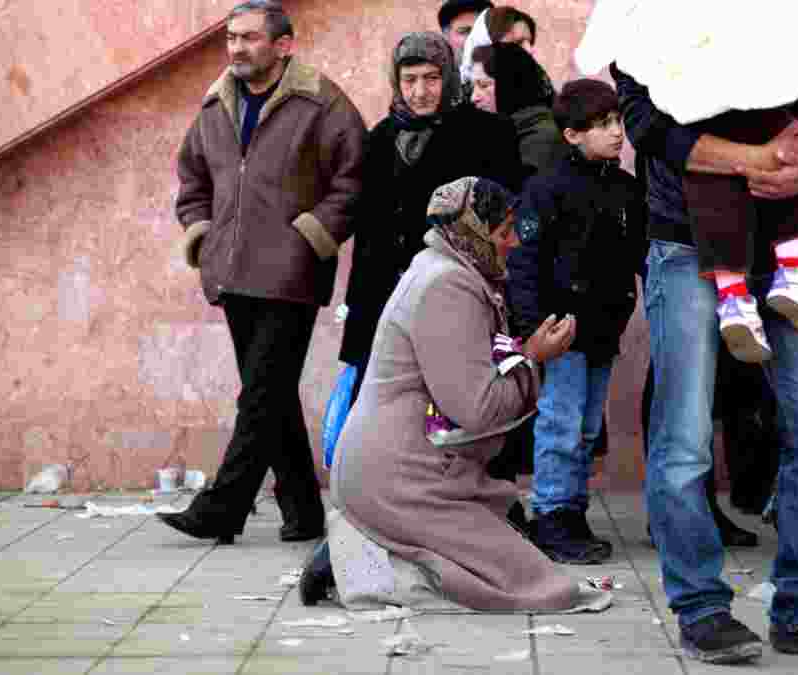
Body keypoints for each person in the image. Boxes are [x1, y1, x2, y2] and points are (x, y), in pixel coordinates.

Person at [613, 57, 798, 662]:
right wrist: (754, 160)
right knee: (684, 439)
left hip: (793, 248)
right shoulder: (649, 21)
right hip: (687, 246)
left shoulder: (787, 18)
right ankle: (702, 608)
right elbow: (651, 128)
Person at [313, 176, 590, 612]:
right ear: (473, 233)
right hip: (400, 477)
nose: (514, 242)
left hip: (406, 467)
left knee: (513, 553)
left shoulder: (446, 268)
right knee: (546, 588)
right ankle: (358, 561)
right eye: (504, 232)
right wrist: (534, 358)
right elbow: (478, 408)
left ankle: (371, 547)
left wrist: (523, 354)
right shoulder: (448, 285)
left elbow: (464, 370)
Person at [165, 0, 367, 544]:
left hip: (291, 274)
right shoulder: (216, 106)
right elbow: (191, 177)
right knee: (270, 392)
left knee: (259, 395)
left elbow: (353, 180)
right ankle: (302, 510)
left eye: (250, 38)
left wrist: (308, 237)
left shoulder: (321, 104)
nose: (236, 48)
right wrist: (201, 234)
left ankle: (223, 506)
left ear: (284, 45)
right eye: (231, 38)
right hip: (231, 273)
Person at [337, 32, 525, 406]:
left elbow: (501, 224)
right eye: (409, 80)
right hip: (388, 297)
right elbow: (369, 231)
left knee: (455, 406)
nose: (419, 91)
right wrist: (358, 309)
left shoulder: (489, 134)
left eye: (431, 78)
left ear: (449, 77)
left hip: (456, 294)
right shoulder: (381, 138)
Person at [506, 79, 644, 565]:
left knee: (586, 428)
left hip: (603, 329)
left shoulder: (625, 189)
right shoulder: (546, 188)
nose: (615, 133)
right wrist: (532, 329)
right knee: (560, 424)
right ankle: (551, 515)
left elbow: (637, 255)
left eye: (617, 122)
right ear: (571, 135)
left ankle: (572, 510)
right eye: (602, 125)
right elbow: (522, 261)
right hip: (561, 330)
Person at [469, 42, 567, 174]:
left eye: (484, 85)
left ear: (511, 84)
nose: (474, 97)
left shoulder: (540, 139)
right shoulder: (500, 130)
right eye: (472, 86)